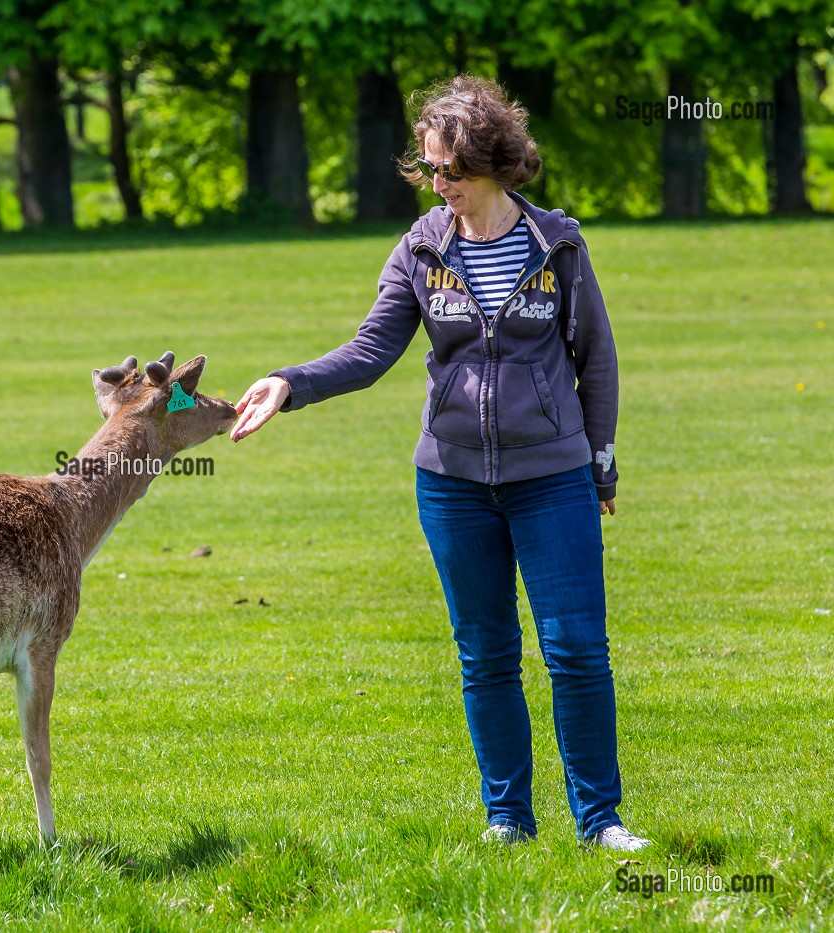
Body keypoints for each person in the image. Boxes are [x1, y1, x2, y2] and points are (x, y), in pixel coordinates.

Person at [231, 75, 647, 851]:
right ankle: (508, 820)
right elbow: (369, 351)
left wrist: (603, 467)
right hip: (452, 485)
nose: (439, 183)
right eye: (429, 169)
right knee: (486, 653)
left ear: (495, 160)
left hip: (552, 477)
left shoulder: (557, 243)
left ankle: (602, 823)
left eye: (451, 169)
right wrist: (288, 383)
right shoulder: (423, 248)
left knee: (576, 648)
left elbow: (599, 360)